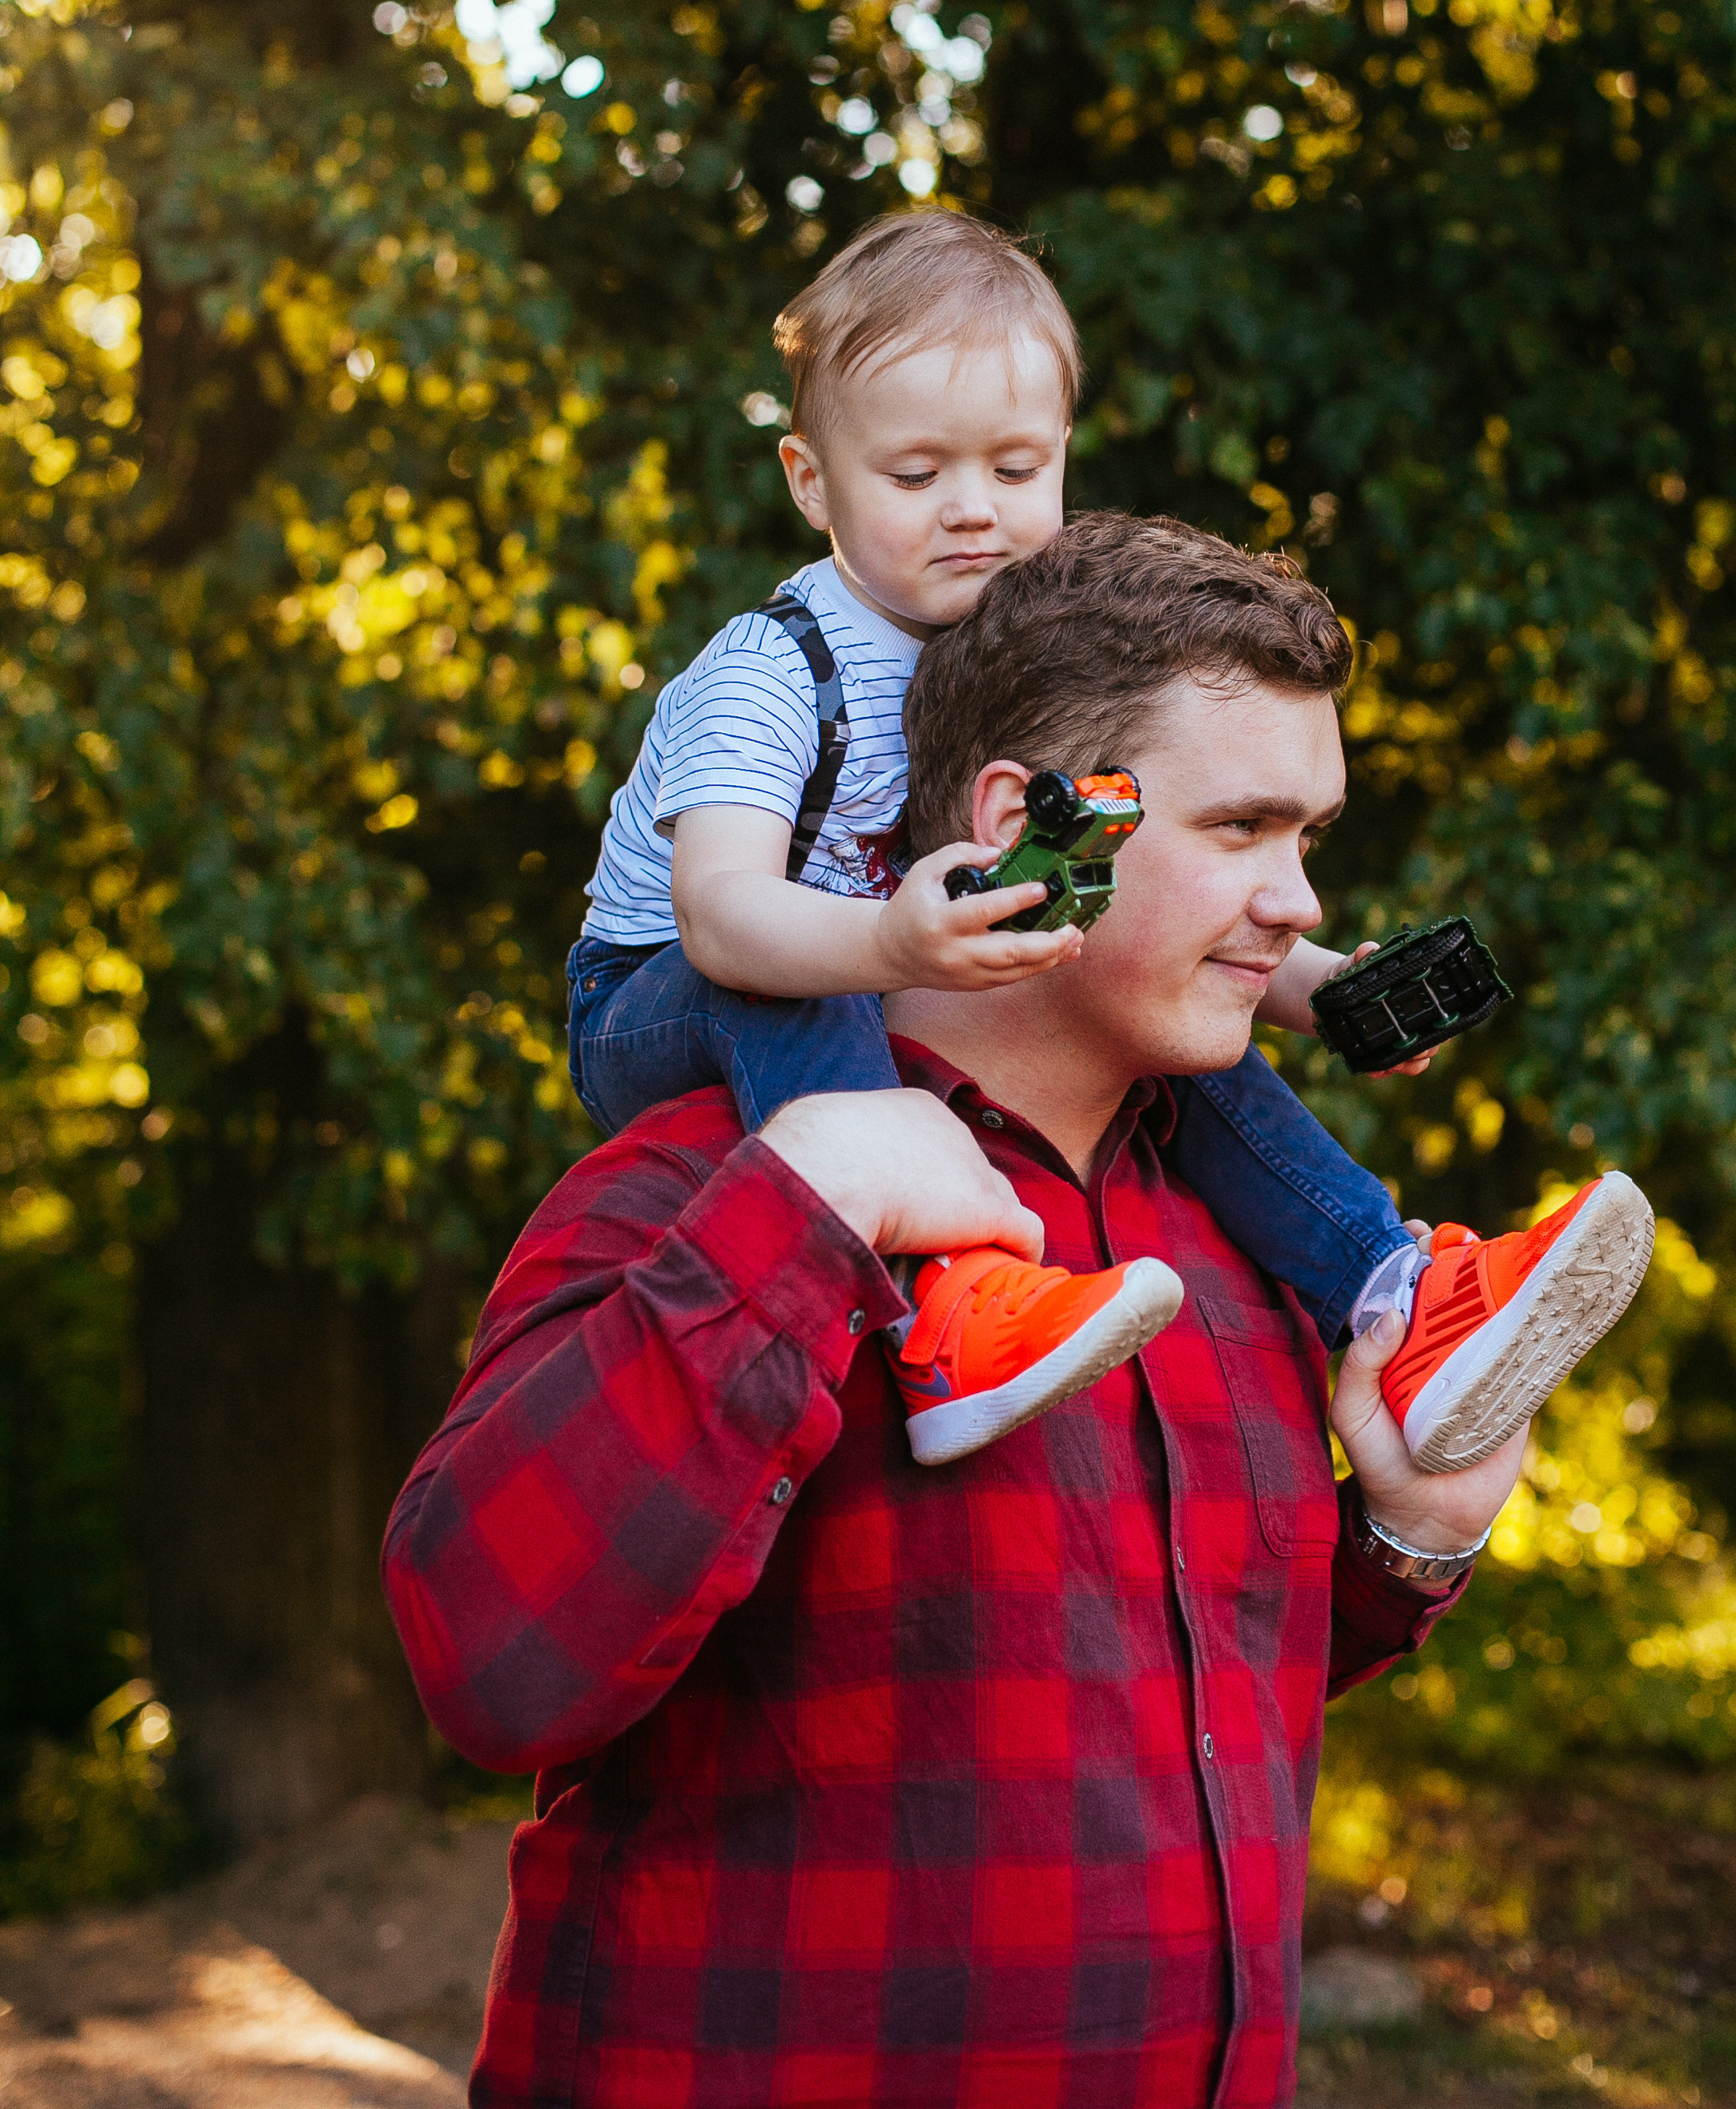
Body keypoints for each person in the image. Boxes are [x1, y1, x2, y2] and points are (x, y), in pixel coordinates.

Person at [385, 512, 1607, 2107]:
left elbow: (1133, 1714)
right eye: (1238, 826)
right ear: (1032, 823)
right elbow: (486, 1659)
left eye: (1306, 833)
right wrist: (800, 1222)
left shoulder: (1238, 1255)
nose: (1294, 899)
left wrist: (1405, 1539)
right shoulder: (712, 1191)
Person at [565, 209, 1649, 1468]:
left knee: (1169, 1021)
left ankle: (1396, 1301)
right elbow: (719, 916)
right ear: (812, 480)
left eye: (1016, 471)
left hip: (883, 955)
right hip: (664, 993)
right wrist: (884, 937)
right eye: (916, 477)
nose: (972, 512)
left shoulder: (1020, 661)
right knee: (786, 991)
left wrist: (1320, 990)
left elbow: (1102, 892)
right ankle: (947, 1304)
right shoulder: (773, 669)